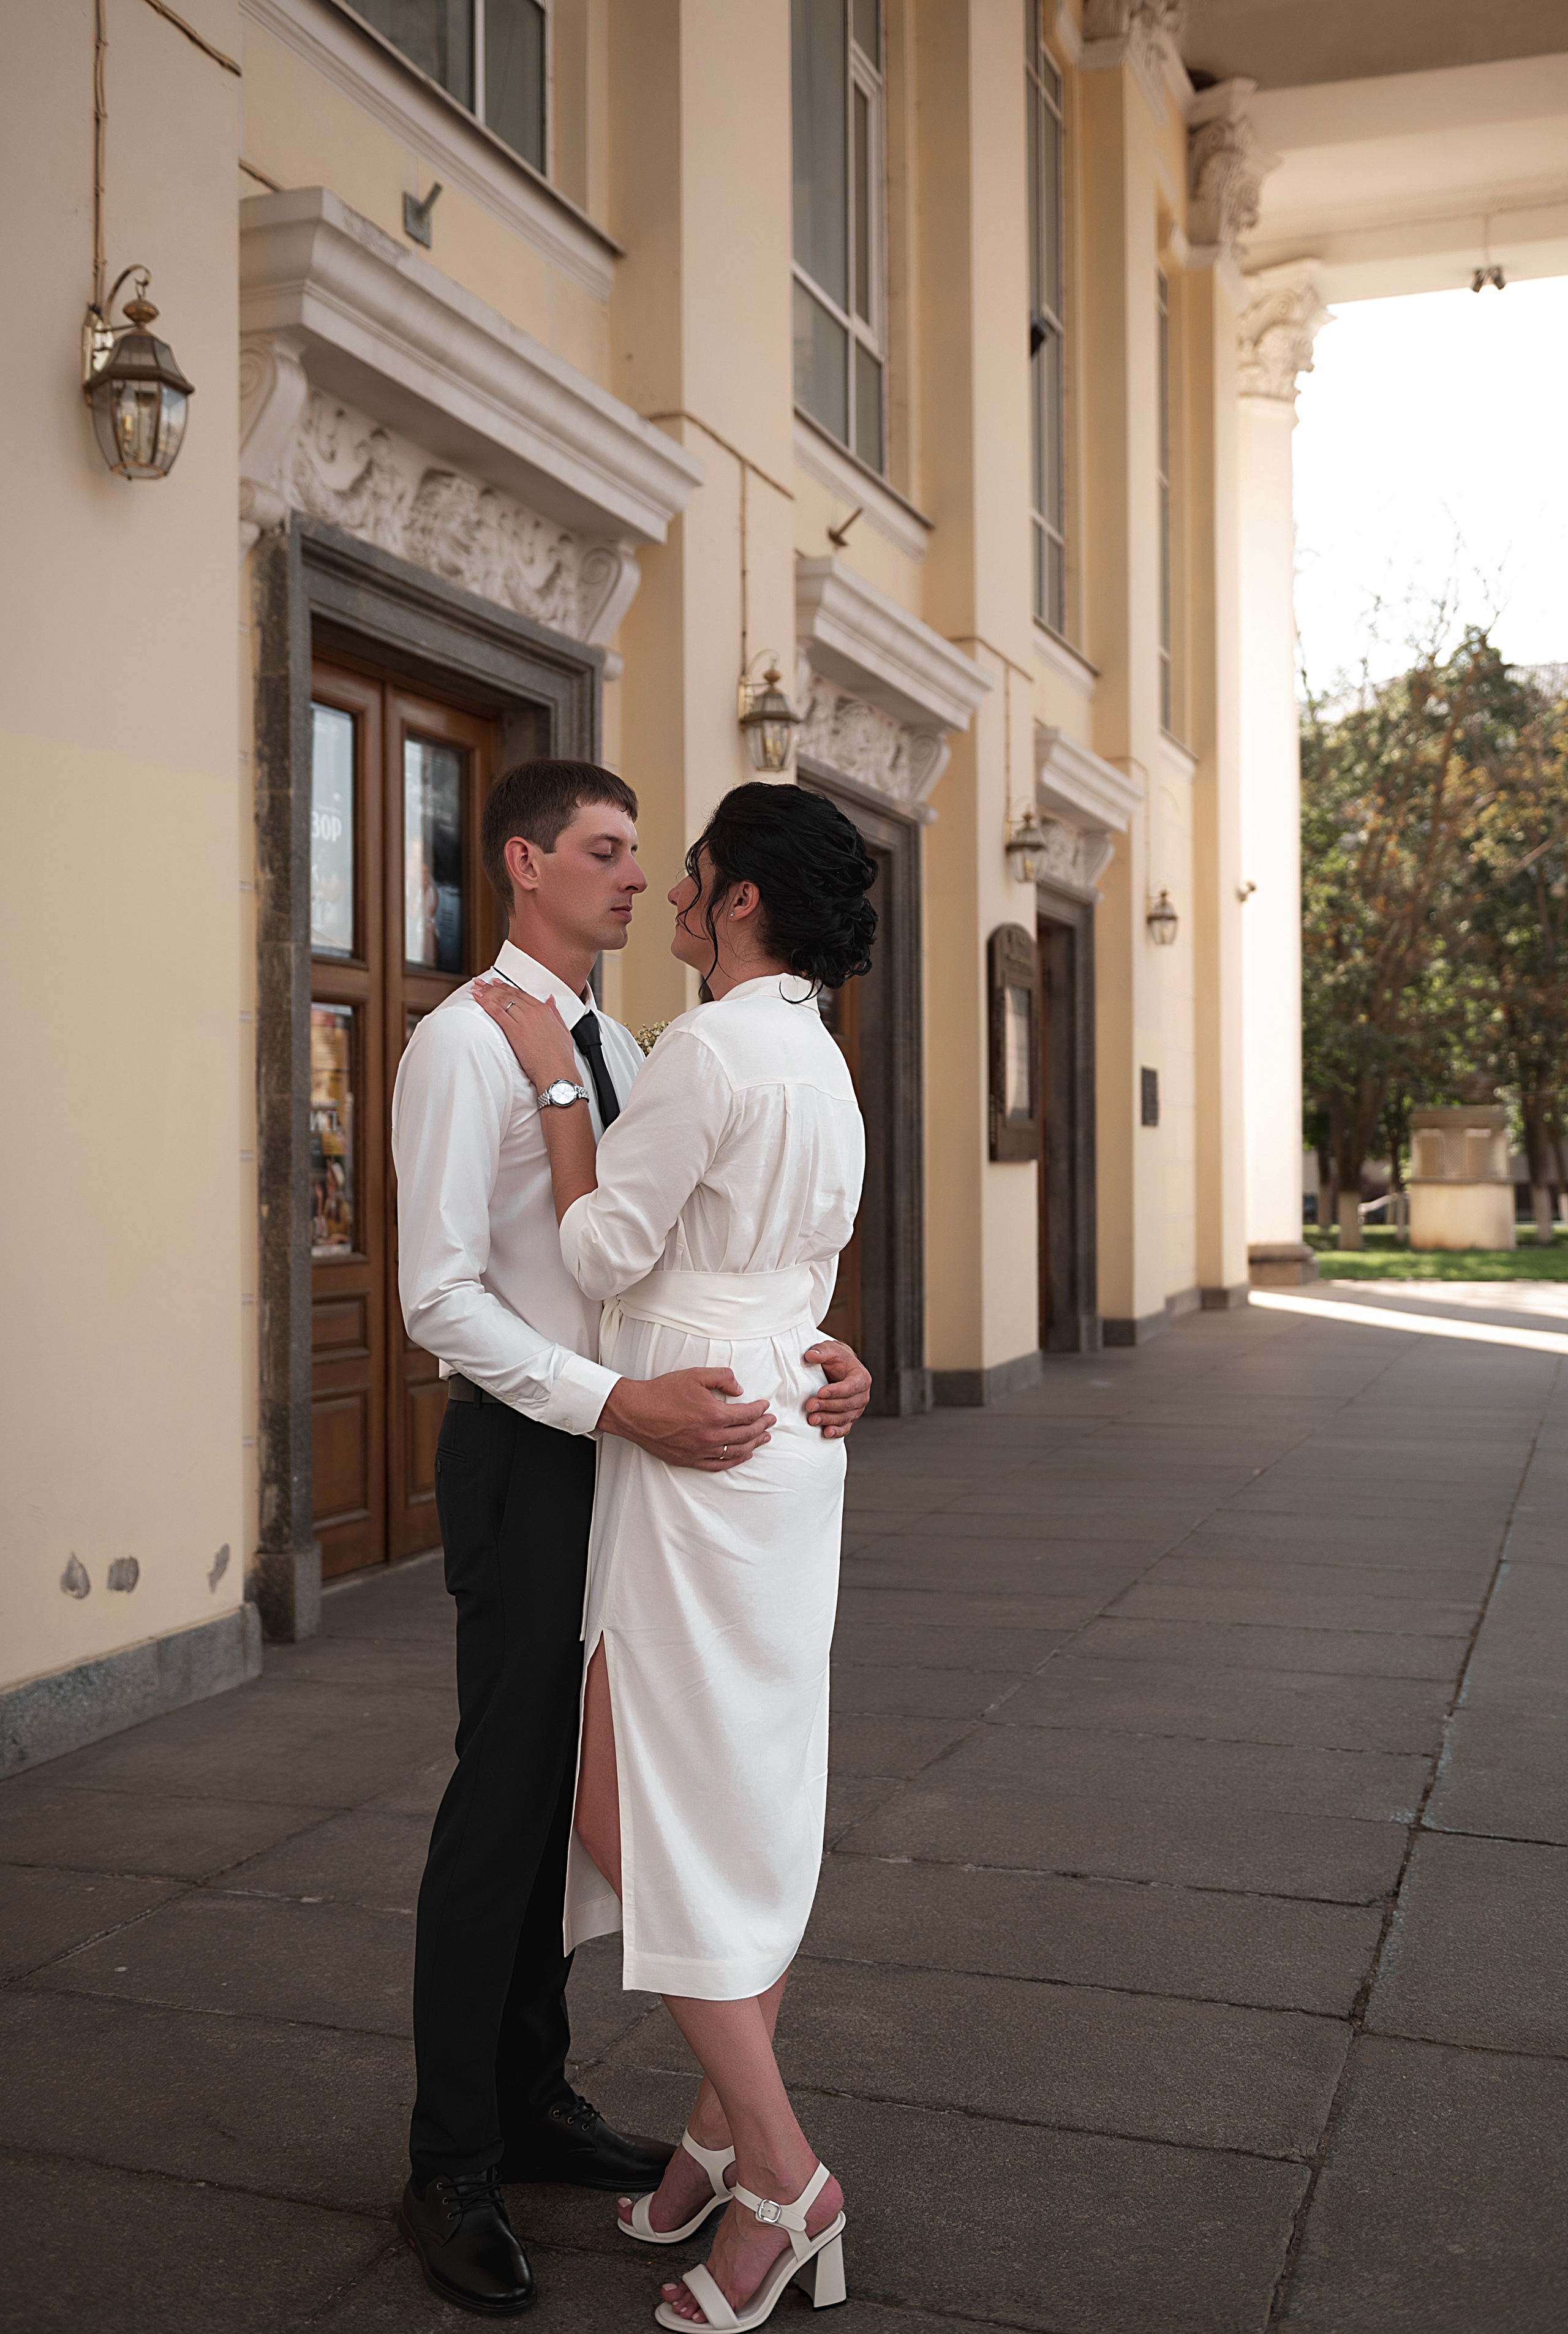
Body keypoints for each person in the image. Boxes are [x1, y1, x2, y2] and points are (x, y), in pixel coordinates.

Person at [389, 761, 872, 2319]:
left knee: (604, 1793)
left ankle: (554, 2108)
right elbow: (442, 1298)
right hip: (544, 1446)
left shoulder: (647, 1041)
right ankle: (452, 2159)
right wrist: (616, 1403)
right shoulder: (465, 1043)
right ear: (523, 864)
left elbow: (710, 1233)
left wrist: (815, 1347)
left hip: (658, 1446)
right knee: (516, 1799)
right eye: (603, 853)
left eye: (653, 858)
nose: (636, 878)